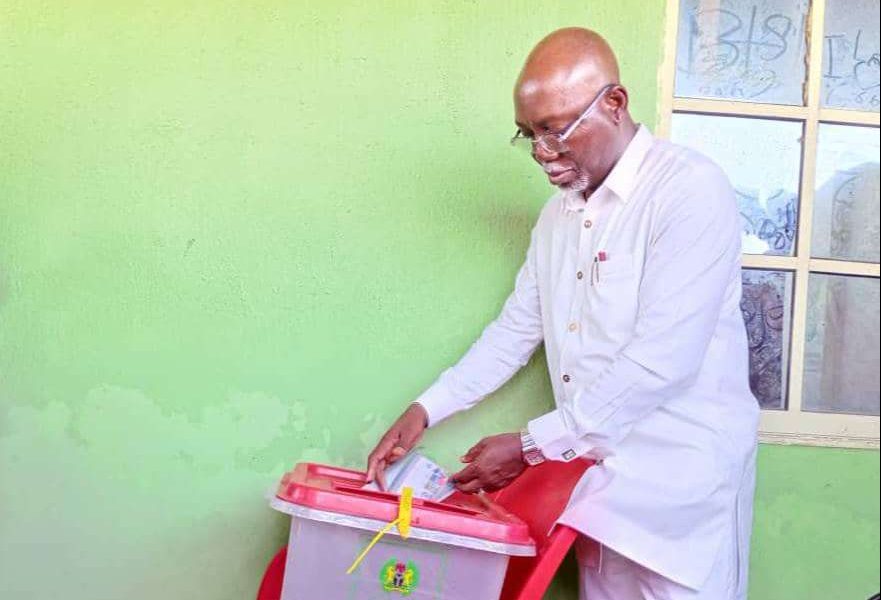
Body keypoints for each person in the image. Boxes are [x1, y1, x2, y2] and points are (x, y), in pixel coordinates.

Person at [366, 27, 759, 600]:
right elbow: (515, 331)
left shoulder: (689, 191)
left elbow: (662, 360)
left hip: (683, 499)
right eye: (528, 135)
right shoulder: (559, 217)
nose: (542, 154)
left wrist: (529, 446)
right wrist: (427, 408)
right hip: (599, 494)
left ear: (615, 104)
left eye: (554, 130)